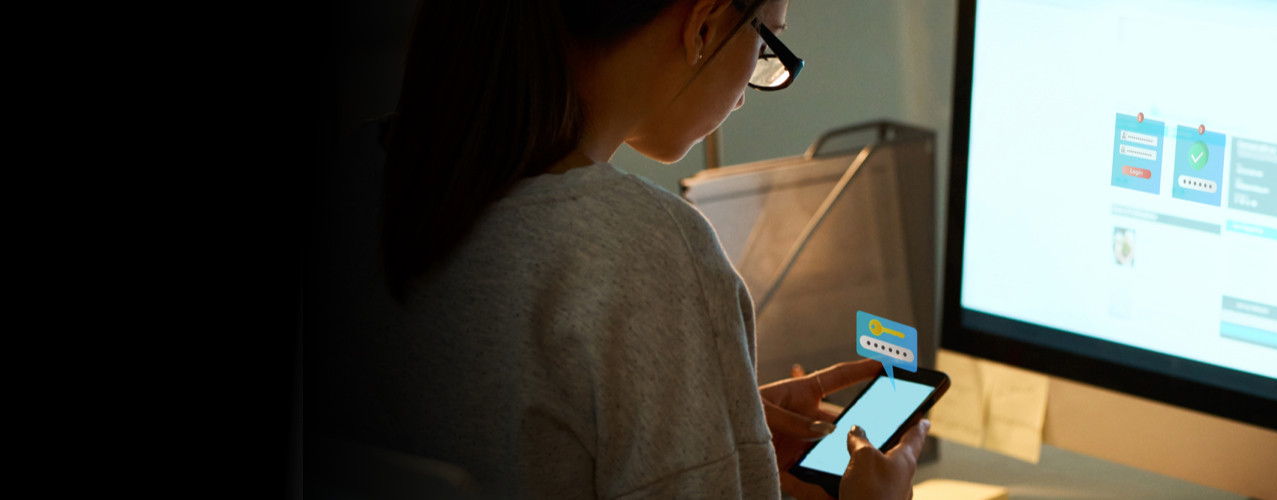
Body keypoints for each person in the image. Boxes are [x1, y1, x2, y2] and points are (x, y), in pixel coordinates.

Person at [328, 0, 930, 497]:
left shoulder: (351, 175)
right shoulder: (649, 254)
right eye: (766, 45)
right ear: (703, 26)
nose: (749, 90)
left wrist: (718, 430)